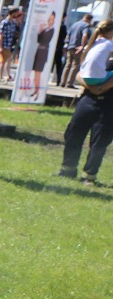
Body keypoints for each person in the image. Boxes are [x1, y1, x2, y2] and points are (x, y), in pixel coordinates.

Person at [58, 20, 113, 186]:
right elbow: (80, 74)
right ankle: (68, 169)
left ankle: (89, 176)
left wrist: (103, 87)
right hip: (88, 98)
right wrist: (92, 87)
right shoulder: (95, 47)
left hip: (109, 102)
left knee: (100, 140)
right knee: (73, 133)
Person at [28, 12, 57, 99]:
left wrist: (41, 31)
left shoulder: (51, 30)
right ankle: (35, 91)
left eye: (52, 19)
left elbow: (45, 40)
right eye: (49, 19)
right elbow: (39, 40)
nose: (50, 21)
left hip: (43, 52)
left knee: (38, 74)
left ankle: (37, 92)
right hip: (39, 51)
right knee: (35, 74)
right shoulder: (46, 29)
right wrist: (40, 31)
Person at [0, 6, 22, 82]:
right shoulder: (4, 23)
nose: (17, 15)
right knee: (2, 61)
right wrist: (0, 46)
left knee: (0, 61)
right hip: (3, 45)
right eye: (16, 13)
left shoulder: (13, 23)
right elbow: (1, 35)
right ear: (12, 13)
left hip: (8, 45)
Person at [61, 14, 93, 86]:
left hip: (70, 46)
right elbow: (84, 35)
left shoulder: (75, 24)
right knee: (75, 65)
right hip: (77, 47)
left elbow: (68, 35)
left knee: (67, 65)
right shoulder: (85, 25)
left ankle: (62, 82)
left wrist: (67, 44)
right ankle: (69, 83)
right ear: (89, 19)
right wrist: (82, 46)